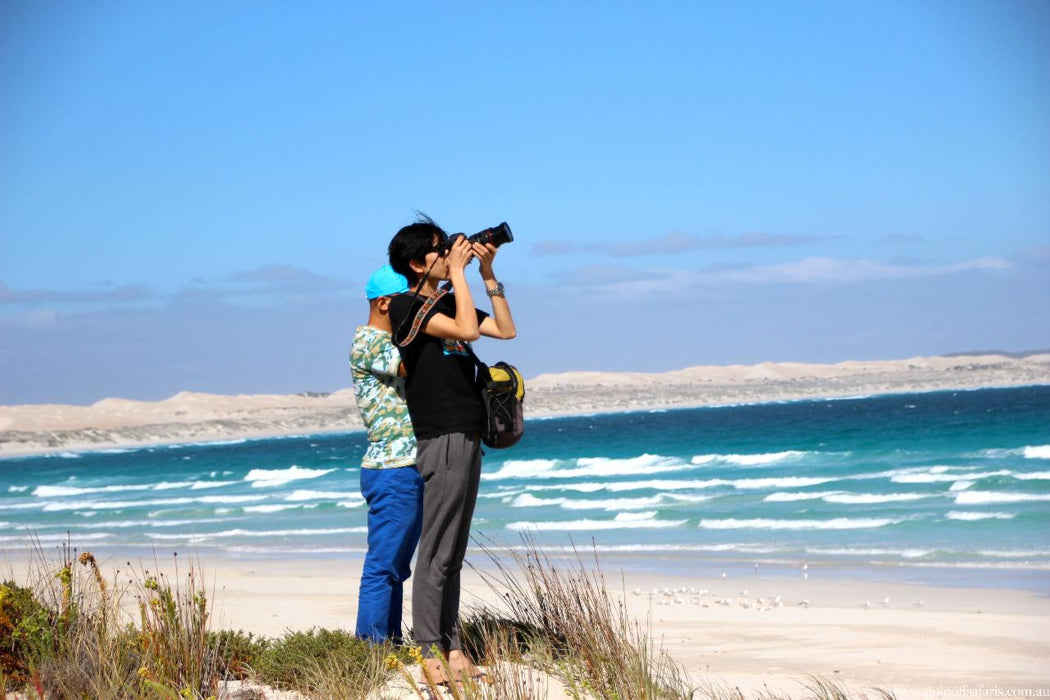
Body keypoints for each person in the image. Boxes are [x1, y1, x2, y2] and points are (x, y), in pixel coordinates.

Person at [387, 216, 516, 683]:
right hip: (439, 437)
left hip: (467, 432)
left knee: (454, 551)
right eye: (441, 250)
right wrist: (460, 276)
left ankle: (453, 645)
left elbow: (504, 330)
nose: (448, 255)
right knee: (436, 549)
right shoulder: (406, 307)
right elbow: (467, 331)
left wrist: (485, 274)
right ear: (417, 262)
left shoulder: (448, 297)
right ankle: (429, 651)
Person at [349, 264, 424, 643]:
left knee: (396, 567)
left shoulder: (387, 341)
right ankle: (371, 650)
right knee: (383, 566)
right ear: (383, 304)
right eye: (405, 302)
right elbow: (416, 364)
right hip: (392, 468)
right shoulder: (370, 343)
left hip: (405, 465)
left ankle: (387, 644)